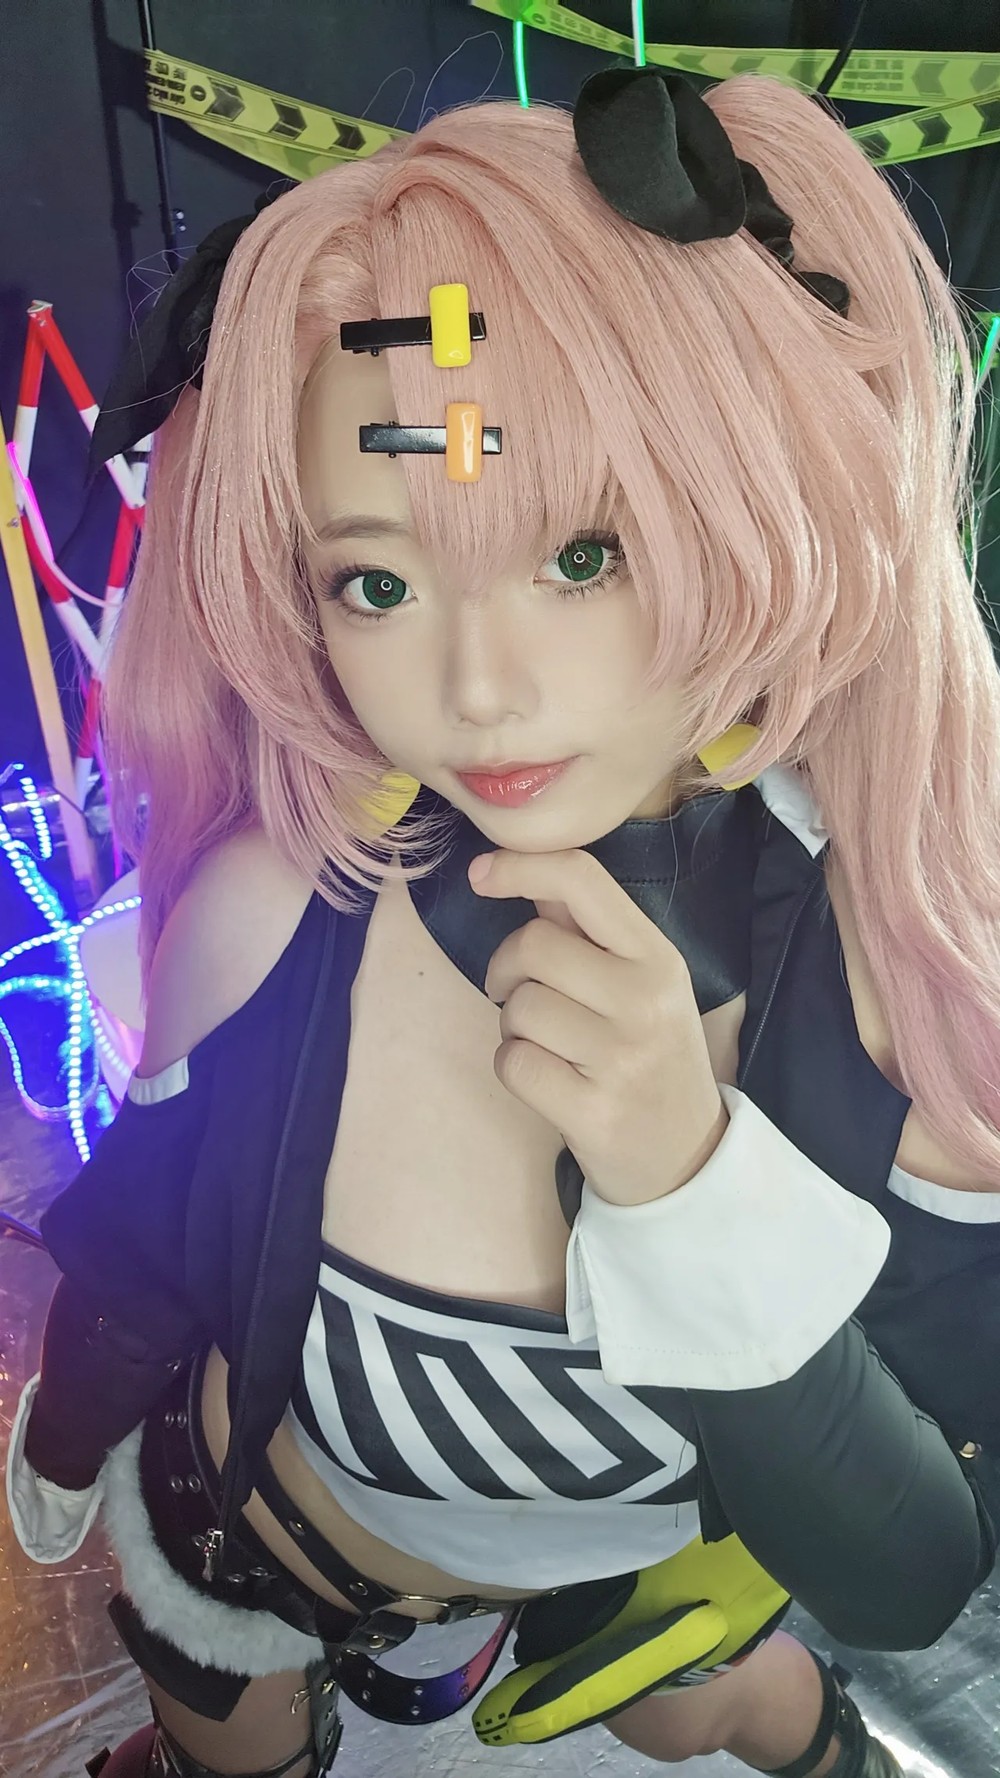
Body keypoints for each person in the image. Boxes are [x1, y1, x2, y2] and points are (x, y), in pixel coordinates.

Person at [4, 64, 999, 1778]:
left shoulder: (905, 976)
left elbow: (912, 1570)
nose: (475, 684)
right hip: (271, 1535)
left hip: (632, 1588)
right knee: (220, 1716)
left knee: (706, 1707)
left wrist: (687, 1178)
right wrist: (70, 1425)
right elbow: (152, 1235)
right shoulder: (273, 909)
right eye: (377, 579)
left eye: (584, 554)